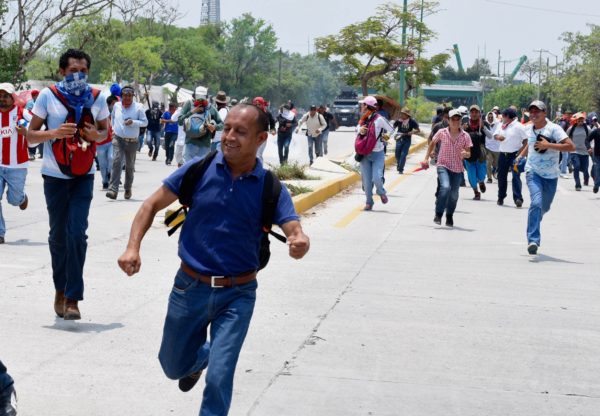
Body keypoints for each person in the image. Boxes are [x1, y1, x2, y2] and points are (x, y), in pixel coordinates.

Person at [117, 103, 310, 416]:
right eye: (227, 128)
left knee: (220, 378)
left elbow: (292, 226)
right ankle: (200, 358)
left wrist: (299, 240)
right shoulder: (199, 169)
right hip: (189, 288)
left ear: (261, 138)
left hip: (238, 295)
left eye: (241, 132)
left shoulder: (270, 187)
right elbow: (151, 205)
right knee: (172, 365)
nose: (229, 136)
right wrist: (132, 247)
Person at [27, 48, 109, 320]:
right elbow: (30, 137)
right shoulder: (48, 96)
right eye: (73, 70)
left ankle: (73, 297)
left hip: (83, 176)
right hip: (54, 177)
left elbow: (105, 131)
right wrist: (54, 133)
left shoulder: (98, 97)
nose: (78, 75)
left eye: (83, 70)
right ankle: (59, 290)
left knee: (77, 233)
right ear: (61, 71)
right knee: (58, 237)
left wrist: (93, 135)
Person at [516, 101, 575, 255]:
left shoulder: (554, 129)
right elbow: (530, 144)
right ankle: (533, 240)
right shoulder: (529, 128)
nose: (534, 114)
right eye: (532, 112)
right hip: (533, 172)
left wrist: (548, 145)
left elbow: (571, 146)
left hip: (551, 176)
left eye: (537, 111)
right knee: (536, 203)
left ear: (545, 113)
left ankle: (535, 218)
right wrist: (520, 156)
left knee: (544, 207)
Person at [422, 109, 472, 227]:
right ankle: (438, 214)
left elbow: (468, 152)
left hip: (457, 168)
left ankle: (449, 215)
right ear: (448, 120)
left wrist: (466, 154)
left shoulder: (466, 136)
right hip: (443, 165)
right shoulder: (441, 132)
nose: (455, 121)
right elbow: (432, 143)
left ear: (460, 121)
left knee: (454, 195)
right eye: (452, 119)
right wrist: (426, 158)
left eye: (457, 119)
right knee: (445, 187)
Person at [106, 85, 147, 200]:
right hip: (118, 139)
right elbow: (112, 117)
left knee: (129, 166)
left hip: (133, 141)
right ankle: (113, 189)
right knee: (117, 162)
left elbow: (145, 122)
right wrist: (113, 129)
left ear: (133, 96)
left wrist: (133, 122)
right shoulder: (117, 106)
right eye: (125, 95)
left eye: (130, 95)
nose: (127, 98)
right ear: (121, 96)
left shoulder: (138, 107)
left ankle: (128, 188)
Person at [0, 83, 29, 245]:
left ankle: (21, 198)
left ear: (13, 98)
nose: (2, 99)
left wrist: (26, 131)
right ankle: (0, 233)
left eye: (6, 96)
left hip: (17, 166)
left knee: (13, 199)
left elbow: (41, 127)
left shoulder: (22, 113)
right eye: (0, 96)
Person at [355, 96, 393, 211]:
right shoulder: (363, 119)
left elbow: (391, 129)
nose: (361, 107)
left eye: (363, 105)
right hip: (364, 154)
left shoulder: (379, 119)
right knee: (366, 182)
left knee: (377, 178)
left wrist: (384, 138)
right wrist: (359, 130)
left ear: (367, 106)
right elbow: (357, 128)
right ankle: (369, 202)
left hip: (378, 153)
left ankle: (381, 192)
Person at [493, 107, 528, 207]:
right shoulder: (501, 125)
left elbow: (526, 141)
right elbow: (495, 135)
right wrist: (498, 137)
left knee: (516, 177)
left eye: (503, 116)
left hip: (514, 155)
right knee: (501, 177)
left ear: (509, 117)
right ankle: (501, 197)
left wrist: (520, 154)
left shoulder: (519, 126)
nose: (502, 117)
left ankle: (518, 198)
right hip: (503, 154)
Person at [178, 87, 223, 162]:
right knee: (189, 170)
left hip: (204, 146)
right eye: (198, 97)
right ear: (194, 96)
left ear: (206, 97)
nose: (200, 100)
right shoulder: (189, 104)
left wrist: (214, 127)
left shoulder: (210, 107)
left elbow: (222, 124)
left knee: (201, 170)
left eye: (202, 98)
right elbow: (180, 121)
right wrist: (192, 112)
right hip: (190, 144)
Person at [463, 105, 487, 200]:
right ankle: (476, 192)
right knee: (471, 176)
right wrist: (463, 129)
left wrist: (484, 128)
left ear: (479, 113)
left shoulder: (483, 123)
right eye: (472, 112)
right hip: (469, 154)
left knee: (481, 174)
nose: (474, 114)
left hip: (480, 154)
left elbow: (491, 136)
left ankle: (481, 181)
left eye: (476, 112)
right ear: (470, 113)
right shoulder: (465, 124)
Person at [96, 95, 117, 190]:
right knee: (102, 164)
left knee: (111, 158)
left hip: (110, 141)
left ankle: (109, 173)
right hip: (99, 144)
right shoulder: (96, 113)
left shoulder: (113, 113)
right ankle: (105, 181)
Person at [566, 113, 591, 191]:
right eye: (579, 120)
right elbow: (566, 137)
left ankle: (586, 178)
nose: (581, 121)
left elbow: (592, 138)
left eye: (582, 120)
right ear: (576, 120)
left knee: (585, 169)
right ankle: (578, 184)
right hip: (574, 151)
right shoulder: (571, 128)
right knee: (576, 167)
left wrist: (591, 148)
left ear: (584, 120)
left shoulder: (587, 128)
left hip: (585, 152)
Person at [392, 107, 420, 174]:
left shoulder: (412, 121)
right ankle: (399, 165)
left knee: (403, 154)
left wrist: (412, 132)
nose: (402, 115)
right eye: (401, 114)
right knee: (397, 154)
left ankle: (401, 169)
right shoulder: (399, 120)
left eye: (403, 114)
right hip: (399, 138)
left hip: (407, 140)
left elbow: (418, 130)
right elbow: (393, 127)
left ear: (407, 115)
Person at [251, 97, 276, 161]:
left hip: (262, 136)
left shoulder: (267, 113)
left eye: (259, 104)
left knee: (258, 154)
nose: (257, 106)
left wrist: (272, 129)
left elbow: (272, 122)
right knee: (251, 153)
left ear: (262, 104)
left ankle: (260, 169)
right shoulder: (250, 112)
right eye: (255, 104)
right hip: (251, 135)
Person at [483, 111, 500, 183]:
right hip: (488, 147)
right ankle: (489, 178)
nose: (490, 118)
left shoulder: (498, 124)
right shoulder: (485, 124)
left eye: (491, 117)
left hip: (497, 147)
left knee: (496, 163)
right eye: (489, 117)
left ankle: (494, 170)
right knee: (488, 163)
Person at [25, 90, 42, 160]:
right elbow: (27, 112)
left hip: (39, 121)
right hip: (30, 122)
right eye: (37, 95)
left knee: (38, 137)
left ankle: (37, 153)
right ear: (34, 96)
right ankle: (31, 153)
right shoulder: (30, 103)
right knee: (32, 137)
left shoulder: (40, 102)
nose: (38, 96)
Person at [585, 122, 600, 193]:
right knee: (597, 170)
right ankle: (596, 186)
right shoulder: (596, 132)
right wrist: (589, 148)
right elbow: (587, 140)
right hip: (597, 155)